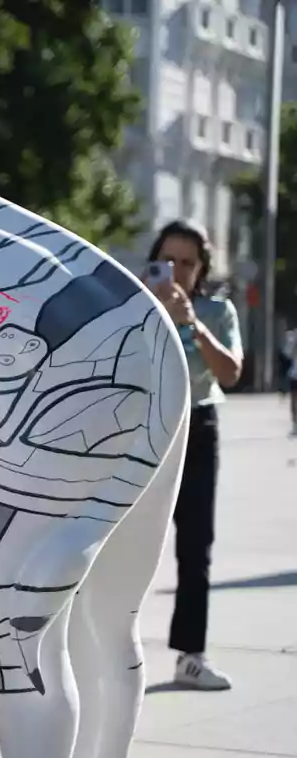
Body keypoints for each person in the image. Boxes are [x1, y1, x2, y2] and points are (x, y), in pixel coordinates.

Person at [146, 219, 243, 691]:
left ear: (201, 267)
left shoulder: (217, 310)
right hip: (144, 427)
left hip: (198, 426)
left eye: (187, 263)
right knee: (117, 543)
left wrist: (193, 323)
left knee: (195, 545)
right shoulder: (137, 303)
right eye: (168, 261)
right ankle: (94, 649)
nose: (177, 271)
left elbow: (230, 373)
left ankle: (191, 654)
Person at [284, 326, 297, 435]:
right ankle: (295, 424)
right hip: (295, 373)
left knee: (294, 400)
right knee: (293, 400)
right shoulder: (295, 335)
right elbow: (288, 352)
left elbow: (287, 353)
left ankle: (295, 424)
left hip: (295, 373)